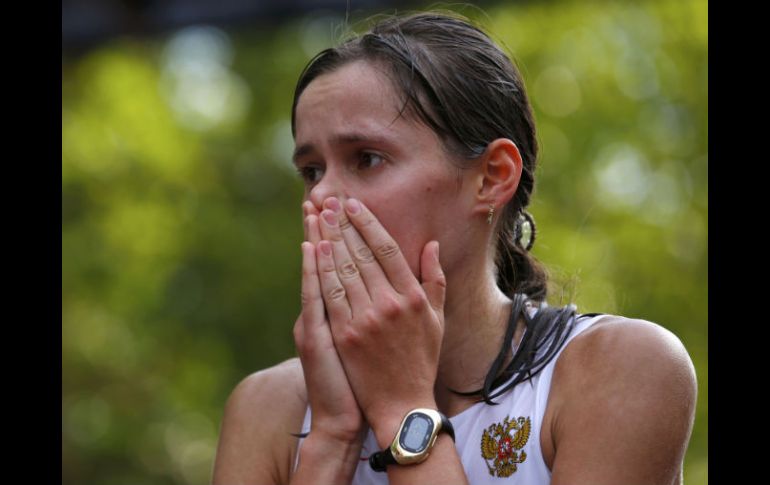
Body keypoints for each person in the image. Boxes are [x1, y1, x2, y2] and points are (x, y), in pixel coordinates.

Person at [211, 11, 697, 485]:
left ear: (492, 178)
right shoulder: (269, 408)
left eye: (367, 158)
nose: (319, 197)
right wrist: (332, 440)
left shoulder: (621, 369)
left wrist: (403, 407)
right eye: (311, 170)